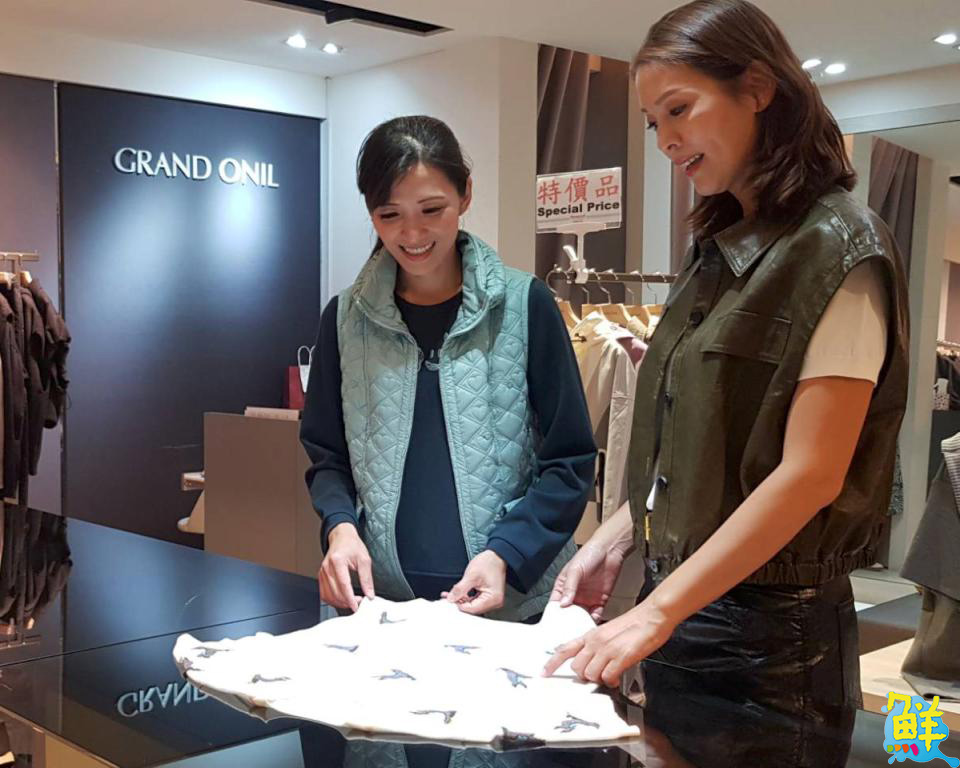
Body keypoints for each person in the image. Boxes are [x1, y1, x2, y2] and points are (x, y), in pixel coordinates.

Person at [544, 0, 909, 744]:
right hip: (689, 619)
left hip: (774, 649)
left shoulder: (840, 248)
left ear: (758, 87)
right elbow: (696, 447)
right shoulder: (717, 250)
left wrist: (657, 609)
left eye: (679, 109)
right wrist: (614, 539)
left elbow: (810, 475)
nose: (666, 141)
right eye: (654, 123)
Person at [300, 115, 595, 621]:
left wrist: (507, 553)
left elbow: (569, 460)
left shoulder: (525, 305)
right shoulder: (345, 319)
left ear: (465, 195)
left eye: (432, 209)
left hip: (511, 608)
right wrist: (339, 526)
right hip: (380, 611)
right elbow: (327, 455)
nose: (412, 233)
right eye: (390, 214)